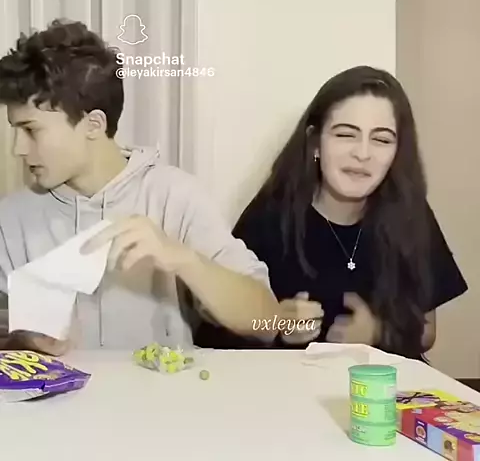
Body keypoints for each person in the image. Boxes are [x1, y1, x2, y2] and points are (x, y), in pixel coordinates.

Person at [0, 19, 280, 355]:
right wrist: (24, 339)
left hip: (163, 389)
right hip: (55, 391)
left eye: (31, 130)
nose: (17, 149)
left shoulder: (175, 197)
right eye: (15, 130)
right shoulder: (10, 220)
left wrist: (184, 260)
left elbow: (268, 322)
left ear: (93, 124)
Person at [197, 66, 468, 359]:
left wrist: (377, 334)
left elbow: (427, 331)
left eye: (381, 140)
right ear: (315, 142)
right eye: (346, 135)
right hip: (292, 382)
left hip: (384, 382)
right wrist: (274, 323)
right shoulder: (271, 216)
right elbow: (214, 330)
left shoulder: (410, 212)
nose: (362, 154)